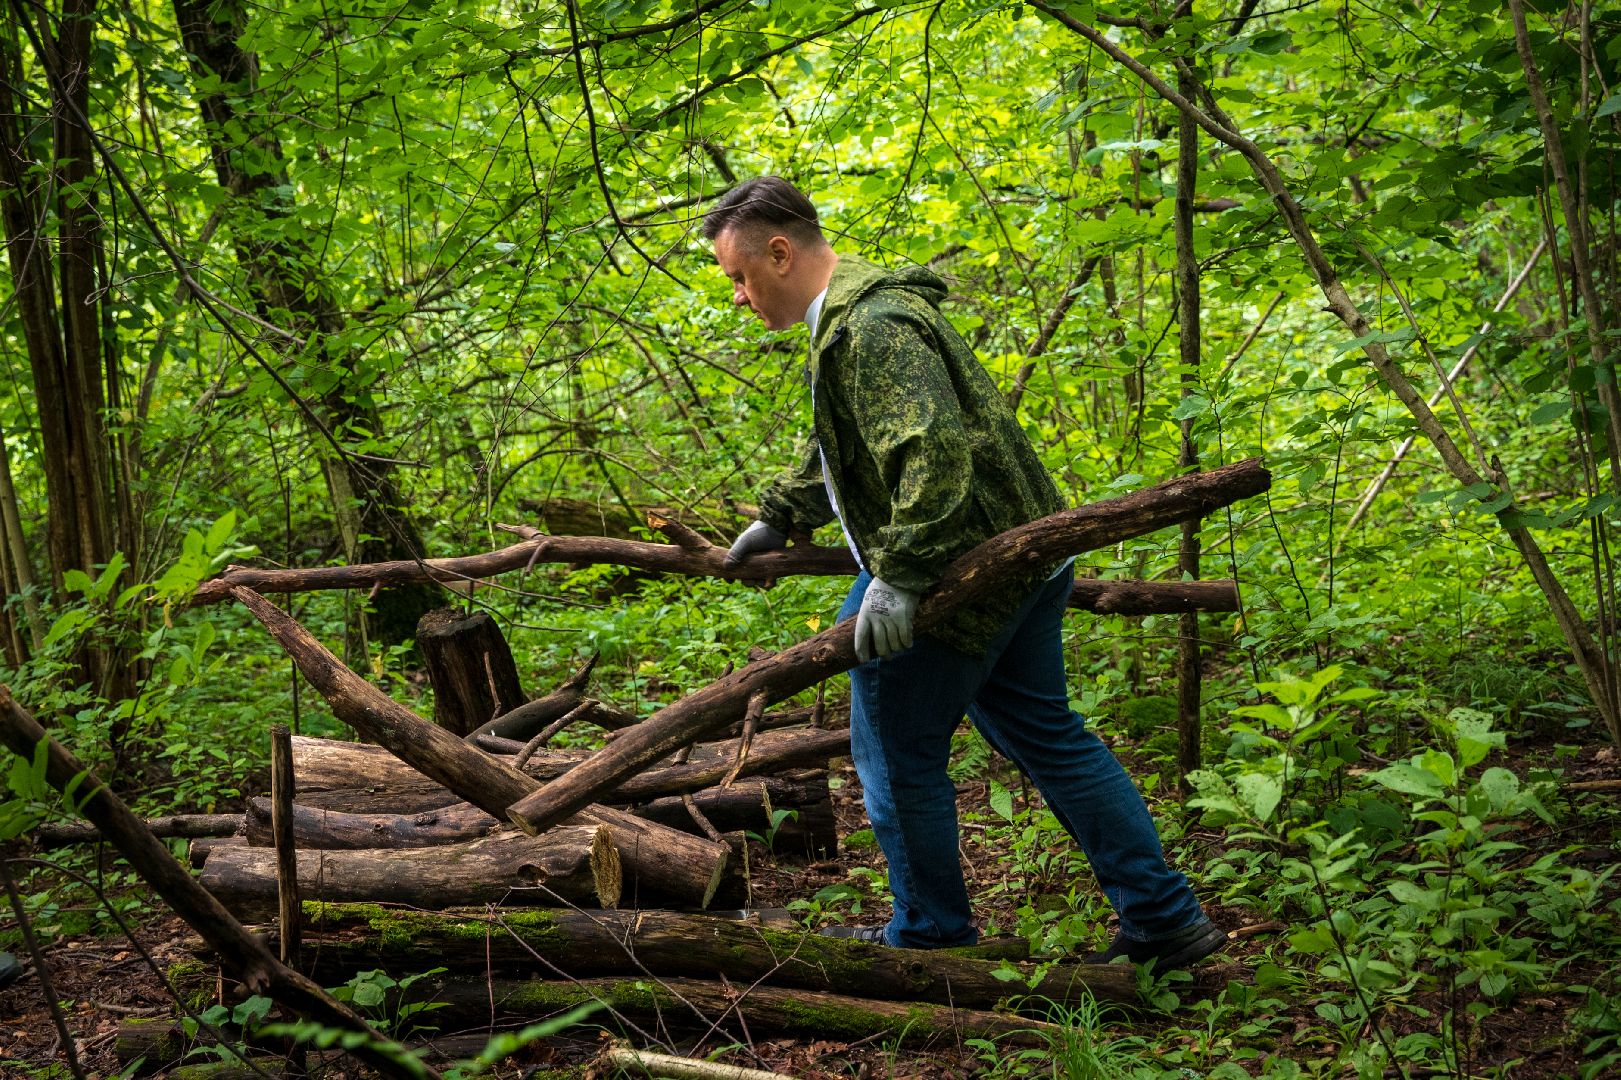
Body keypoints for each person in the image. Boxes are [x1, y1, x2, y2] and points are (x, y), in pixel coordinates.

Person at [706, 176, 1225, 972]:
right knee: (1050, 738)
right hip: (1017, 557)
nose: (737, 297)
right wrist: (782, 511)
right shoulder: (855, 317)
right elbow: (851, 441)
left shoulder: (873, 325)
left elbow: (932, 453)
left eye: (738, 277)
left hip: (961, 570)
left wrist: (902, 575)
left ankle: (929, 942)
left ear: (779, 253)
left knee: (894, 751)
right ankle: (1165, 921)